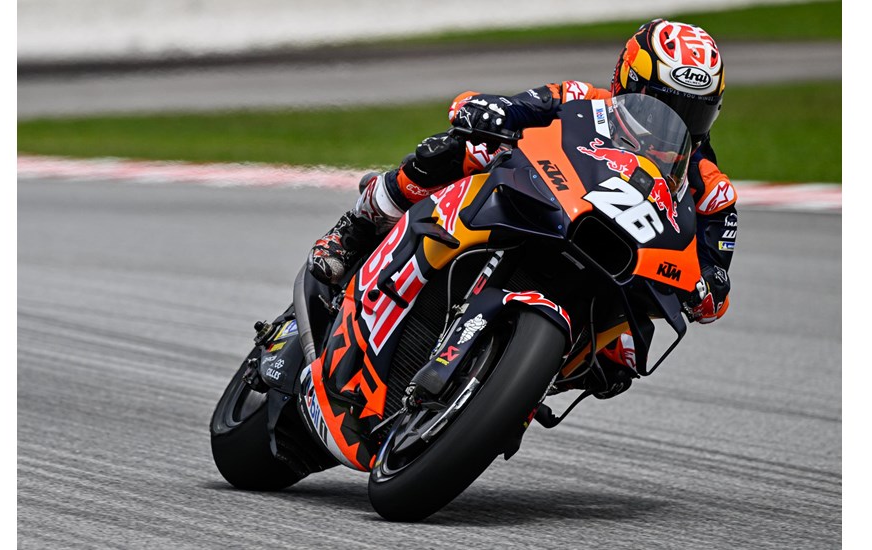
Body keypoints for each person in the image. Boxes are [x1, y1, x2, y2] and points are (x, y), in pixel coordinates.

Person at [307, 19, 738, 398]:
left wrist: (708, 287)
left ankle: (511, 390)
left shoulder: (712, 189)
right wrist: (495, 112)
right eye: (660, 105)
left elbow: (715, 276)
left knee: (622, 359)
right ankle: (356, 229)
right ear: (626, 84)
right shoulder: (581, 99)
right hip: (549, 208)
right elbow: (519, 108)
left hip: (616, 268)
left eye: (692, 112)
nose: (674, 122)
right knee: (464, 150)